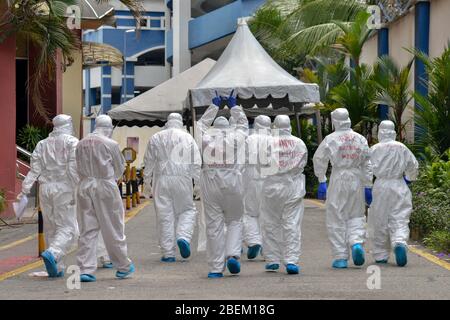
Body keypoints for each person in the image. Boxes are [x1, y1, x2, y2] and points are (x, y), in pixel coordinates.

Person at [76, 115, 134, 282]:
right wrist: (111, 179)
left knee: (87, 229)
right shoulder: (111, 144)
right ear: (109, 128)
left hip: (84, 186)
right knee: (113, 226)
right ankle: (123, 266)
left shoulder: (80, 143)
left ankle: (85, 269)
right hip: (105, 186)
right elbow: (119, 167)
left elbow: (77, 167)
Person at [19, 114, 79, 278]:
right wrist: (77, 188)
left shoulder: (41, 144)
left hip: (45, 189)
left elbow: (34, 170)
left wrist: (24, 190)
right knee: (68, 227)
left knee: (51, 226)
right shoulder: (72, 142)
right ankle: (54, 252)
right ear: (68, 124)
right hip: (64, 188)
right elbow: (74, 169)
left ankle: (57, 267)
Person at [196, 92, 248, 278]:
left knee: (214, 225)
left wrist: (214, 106)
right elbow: (243, 125)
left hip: (210, 180)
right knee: (235, 220)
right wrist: (234, 106)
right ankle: (233, 254)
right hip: (232, 179)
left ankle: (216, 268)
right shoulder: (235, 137)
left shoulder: (205, 138)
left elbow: (199, 125)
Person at [313, 108, 372, 269]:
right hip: (356, 179)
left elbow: (319, 159)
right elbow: (367, 163)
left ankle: (340, 257)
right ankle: (356, 242)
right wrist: (368, 185)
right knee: (356, 214)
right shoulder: (360, 139)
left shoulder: (330, 139)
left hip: (338, 178)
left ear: (335, 121)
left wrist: (322, 180)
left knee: (336, 216)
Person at [143, 113, 201, 262]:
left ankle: (168, 253)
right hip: (183, 179)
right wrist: (198, 184)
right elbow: (196, 162)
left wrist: (147, 183)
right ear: (180, 123)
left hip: (161, 180)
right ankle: (183, 236)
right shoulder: (188, 138)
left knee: (164, 215)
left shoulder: (156, 137)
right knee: (187, 210)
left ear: (168, 122)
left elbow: (148, 161)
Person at [260, 115, 308, 274]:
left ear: (275, 127)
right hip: (293, 186)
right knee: (292, 223)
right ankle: (291, 260)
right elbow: (303, 163)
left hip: (272, 185)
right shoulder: (299, 143)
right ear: (290, 126)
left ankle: (272, 259)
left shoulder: (267, 143)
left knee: (270, 222)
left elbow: (261, 165)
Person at [368, 120, 418, 267]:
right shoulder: (402, 147)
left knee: (380, 220)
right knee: (400, 217)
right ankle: (399, 242)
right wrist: (408, 179)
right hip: (399, 184)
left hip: (380, 185)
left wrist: (367, 185)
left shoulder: (374, 149)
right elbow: (413, 165)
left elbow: (366, 168)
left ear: (380, 133)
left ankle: (381, 254)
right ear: (394, 133)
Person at [242, 115, 272, 260]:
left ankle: (254, 241)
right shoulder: (274, 140)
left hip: (251, 177)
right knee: (268, 215)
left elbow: (240, 161)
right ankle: (268, 251)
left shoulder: (249, 139)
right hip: (269, 178)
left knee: (250, 213)